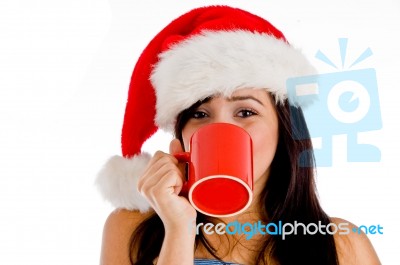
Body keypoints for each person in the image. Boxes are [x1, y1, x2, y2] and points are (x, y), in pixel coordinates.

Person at [96, 5, 381, 265]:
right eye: (200, 114)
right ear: (181, 138)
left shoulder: (343, 246)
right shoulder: (130, 228)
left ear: (284, 129)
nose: (221, 130)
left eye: (245, 112)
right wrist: (178, 228)